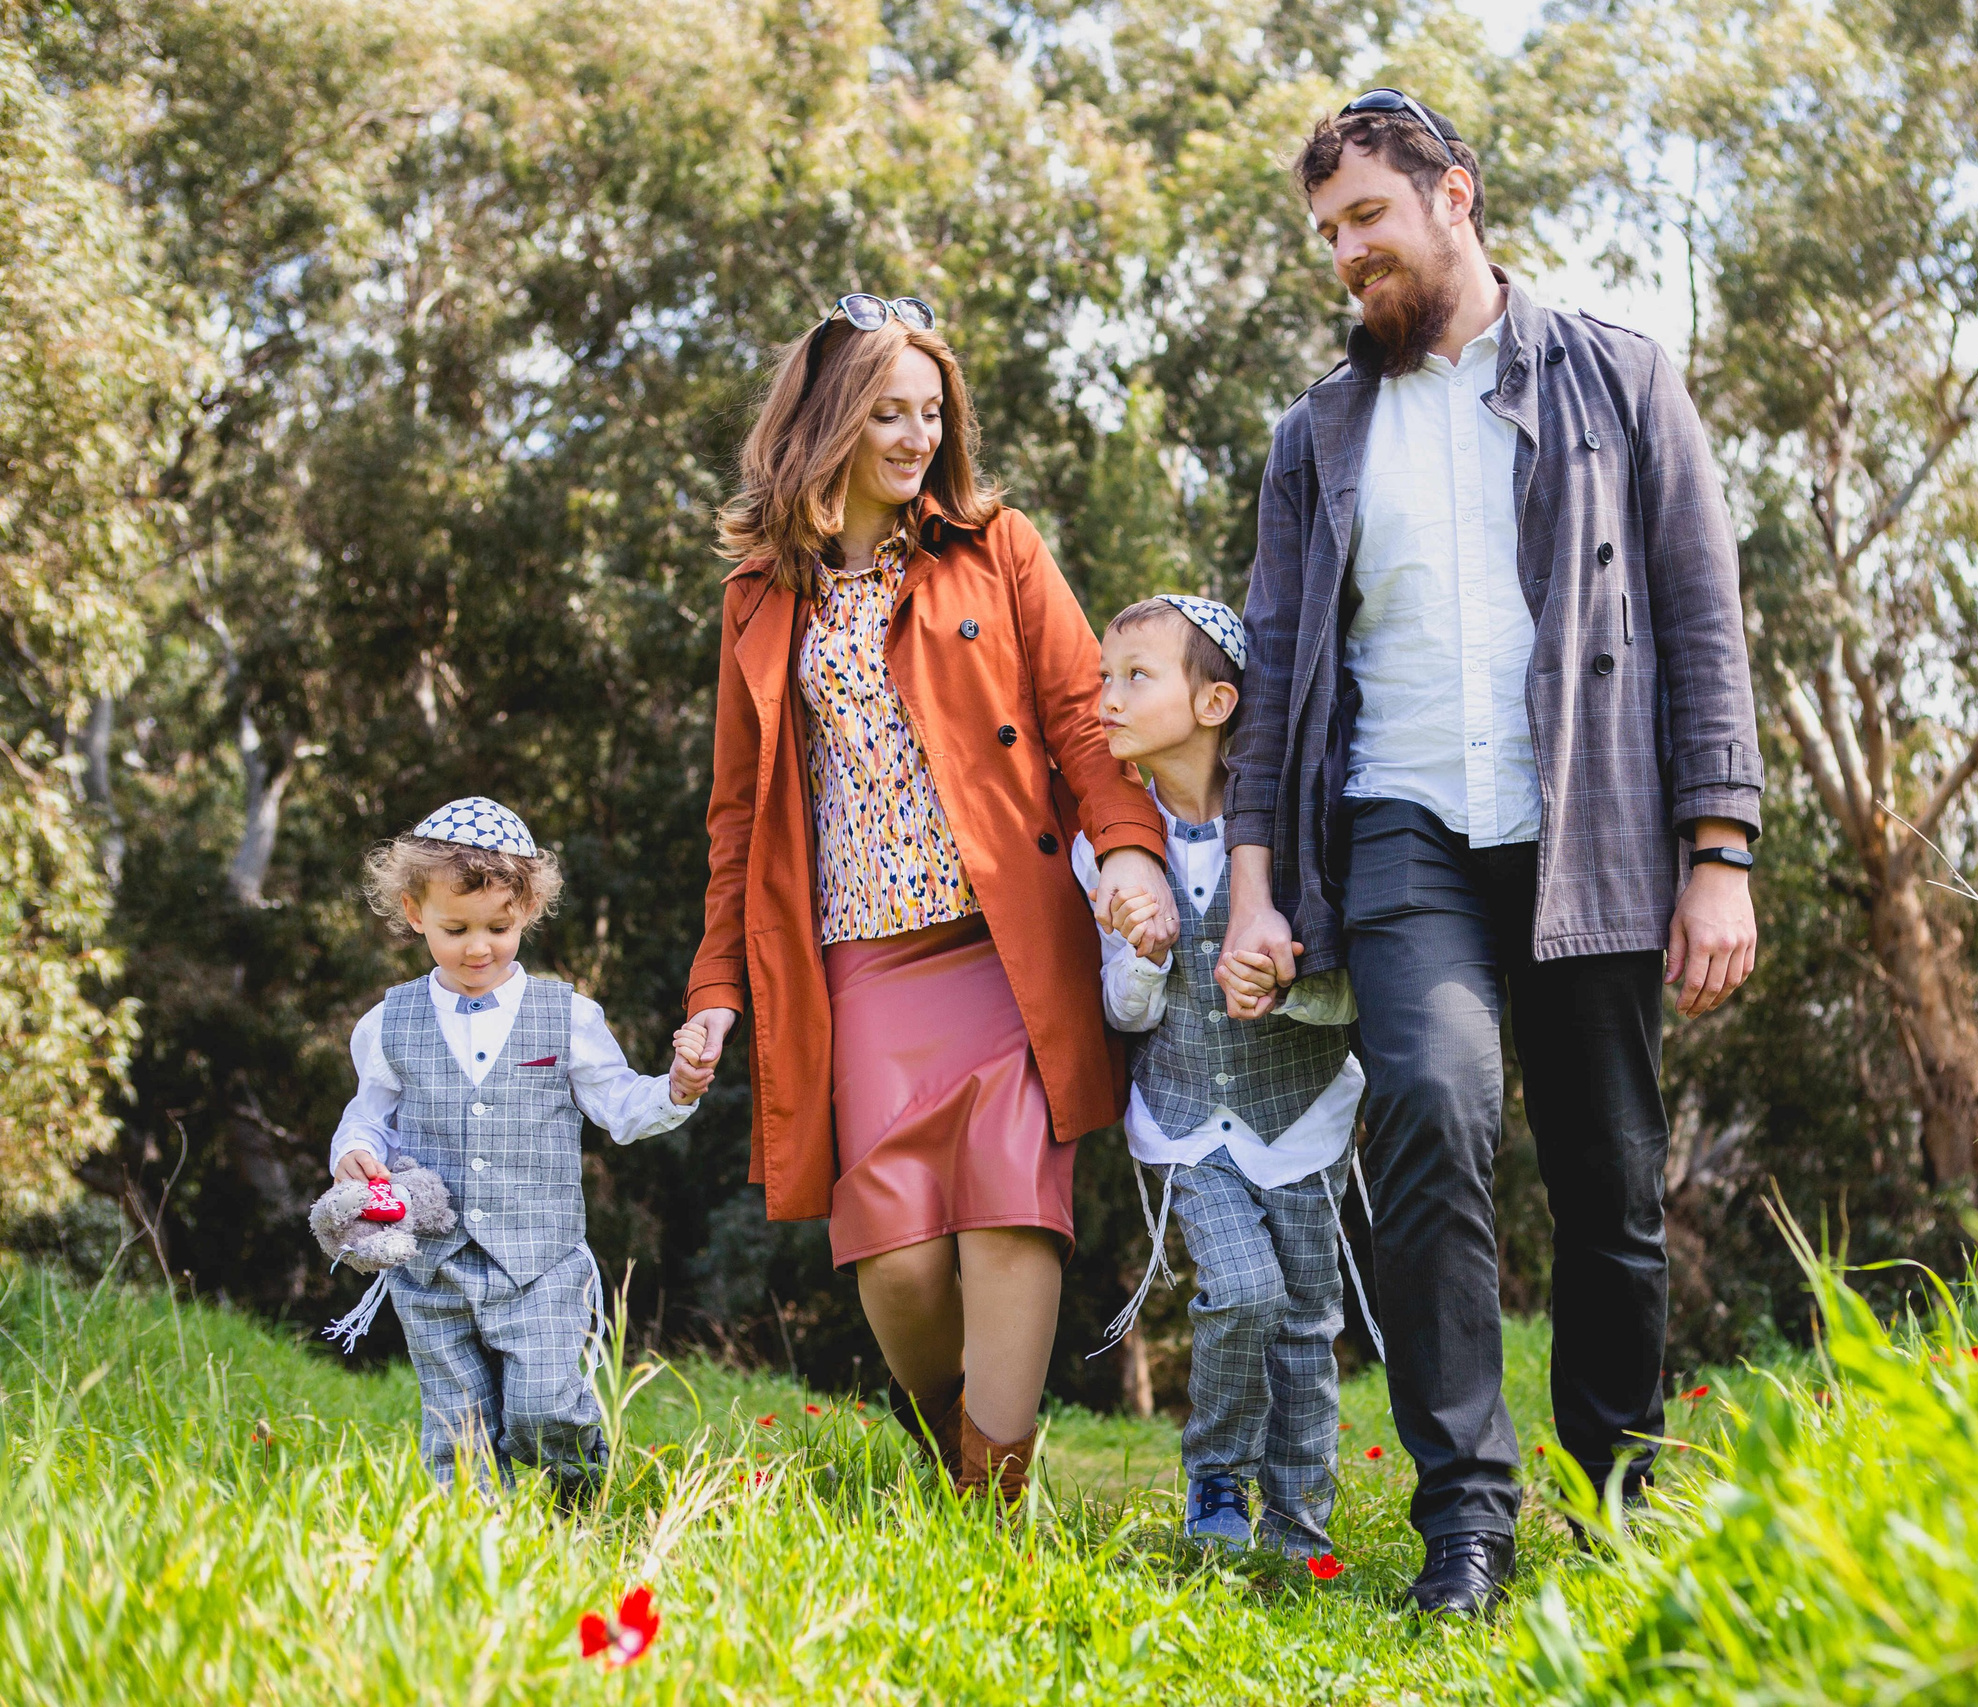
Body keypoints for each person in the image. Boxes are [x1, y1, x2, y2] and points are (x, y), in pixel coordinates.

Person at [1218, 93, 1764, 1614]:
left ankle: (1614, 1494)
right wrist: (1252, 884)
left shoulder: (1622, 377)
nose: (1346, 253)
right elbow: (1273, 677)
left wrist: (1718, 848)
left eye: (1367, 218)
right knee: (1429, 1122)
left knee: (1611, 1182)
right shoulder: (1316, 434)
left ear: (1452, 195)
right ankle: (1466, 1514)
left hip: (1593, 822)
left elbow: (1702, 617)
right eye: (1327, 232)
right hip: (1404, 825)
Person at [677, 292, 1175, 1498]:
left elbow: (1080, 717)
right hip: (859, 963)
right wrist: (715, 988)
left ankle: (989, 1508)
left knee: (1011, 1217)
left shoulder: (996, 547)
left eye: (931, 413)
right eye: (887, 414)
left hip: (1005, 945)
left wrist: (1127, 848)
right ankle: (959, 1450)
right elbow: (740, 815)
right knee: (894, 1257)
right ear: (827, 424)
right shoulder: (759, 595)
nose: (915, 437)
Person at [1073, 595, 1375, 1558]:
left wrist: (1286, 987)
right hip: (1187, 1118)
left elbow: (1349, 993)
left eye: (1136, 676)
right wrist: (1146, 954)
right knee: (1242, 1289)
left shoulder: (1295, 838)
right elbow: (1126, 1013)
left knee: (1306, 1317)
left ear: (1214, 703)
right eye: (1104, 678)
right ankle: (1215, 1480)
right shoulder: (1109, 850)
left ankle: (1298, 1521)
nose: (1107, 698)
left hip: (1303, 1116)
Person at [327, 797, 713, 1500]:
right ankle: (478, 1534)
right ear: (414, 912)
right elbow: (370, 1115)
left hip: (540, 1262)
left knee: (543, 1407)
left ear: (528, 910)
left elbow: (620, 1105)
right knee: (458, 1424)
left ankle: (582, 1496)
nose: (478, 947)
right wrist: (353, 1149)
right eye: (456, 929)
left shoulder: (568, 1017)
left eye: (498, 927)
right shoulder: (389, 1022)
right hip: (433, 1265)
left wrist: (676, 1089)